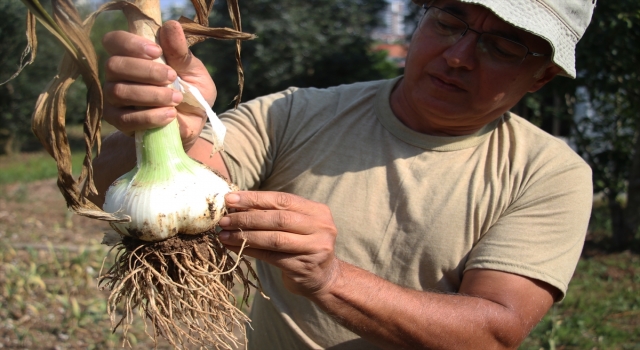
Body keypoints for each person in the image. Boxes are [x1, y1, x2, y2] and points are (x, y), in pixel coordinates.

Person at [93, 0, 597, 348]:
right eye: (448, 21)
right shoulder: (293, 115)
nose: (459, 56)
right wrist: (166, 133)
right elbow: (175, 192)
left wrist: (331, 279)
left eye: (504, 46)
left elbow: (493, 333)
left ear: (543, 75)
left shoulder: (550, 174)